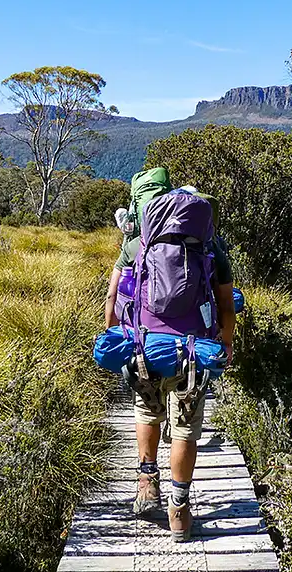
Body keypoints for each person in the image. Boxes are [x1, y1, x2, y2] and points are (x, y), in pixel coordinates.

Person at [103, 189, 236, 542]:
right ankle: (179, 508)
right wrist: (227, 344)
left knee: (147, 413)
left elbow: (114, 294)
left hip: (145, 349)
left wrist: (116, 333)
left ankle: (147, 481)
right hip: (192, 355)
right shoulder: (212, 252)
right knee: (185, 429)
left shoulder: (137, 246)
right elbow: (226, 305)